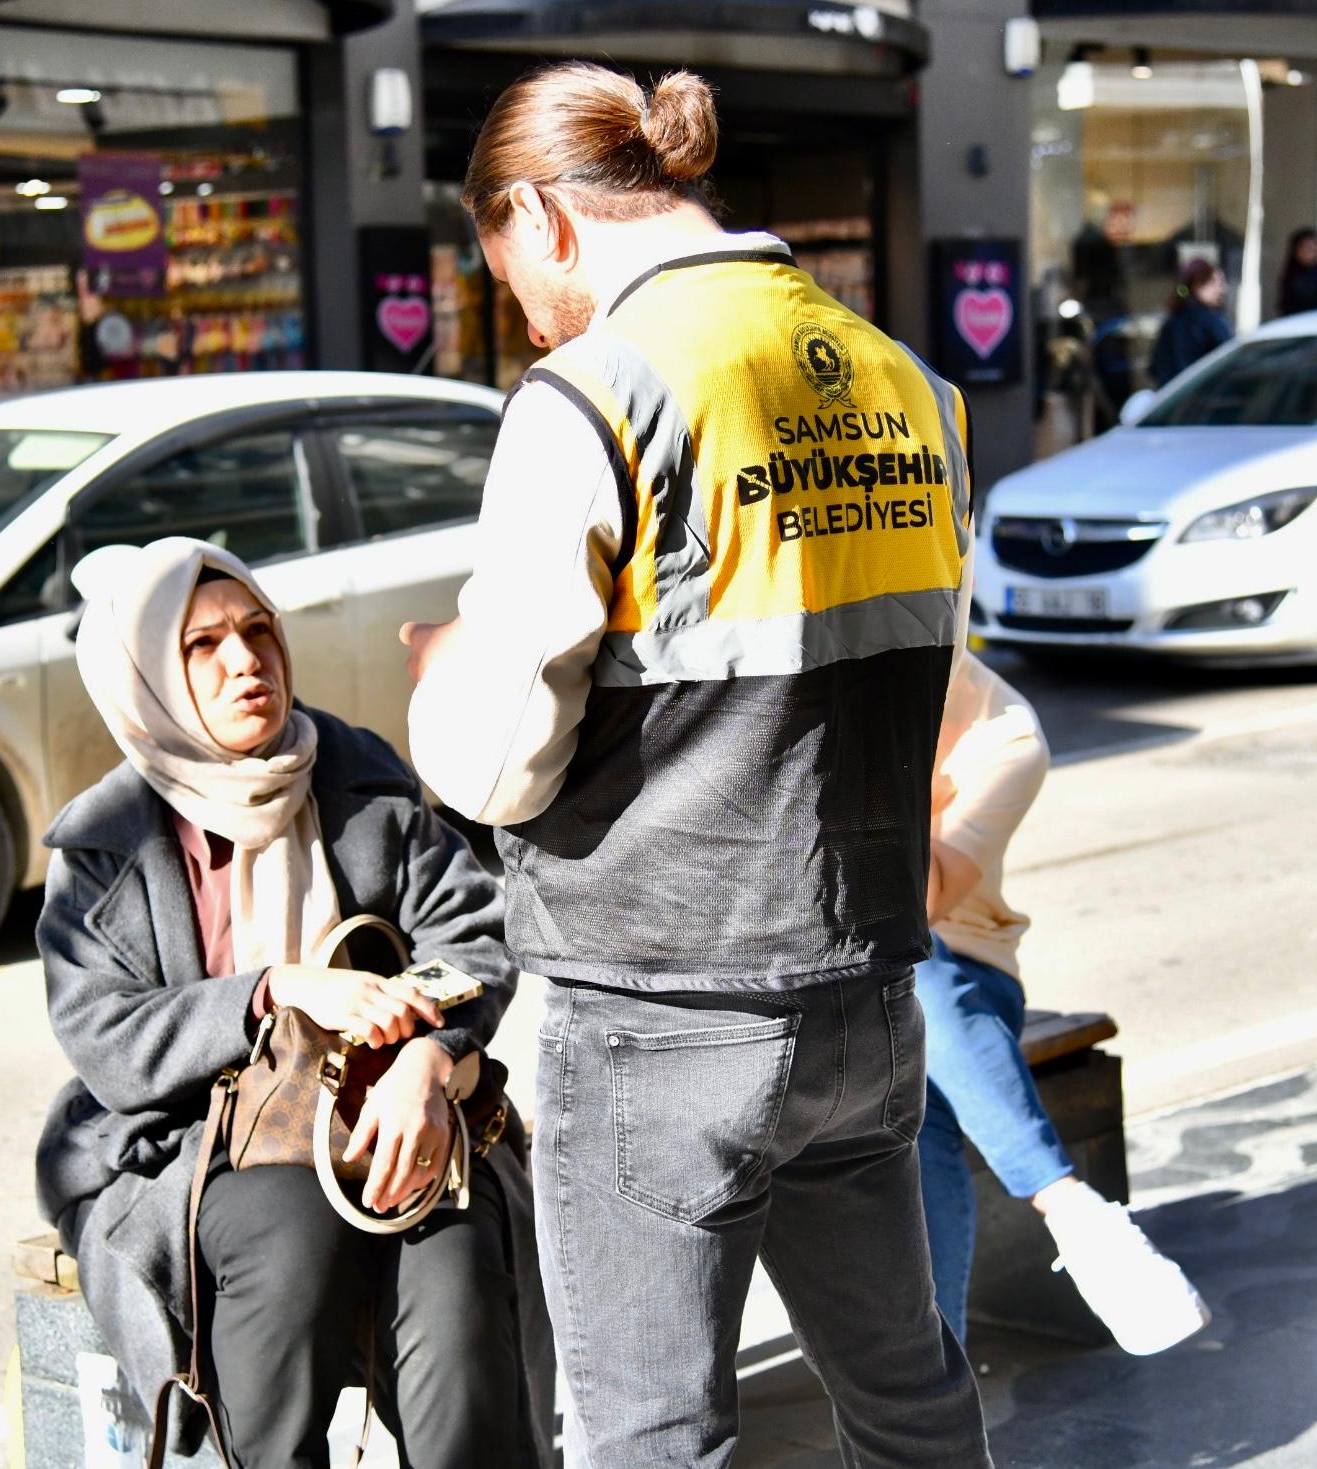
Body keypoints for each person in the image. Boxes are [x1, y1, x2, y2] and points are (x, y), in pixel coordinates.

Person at [402, 61, 990, 1469]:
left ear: (541, 216)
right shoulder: (910, 386)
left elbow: (499, 767)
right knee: (908, 1401)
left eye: (507, 273)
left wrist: (444, 682)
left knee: (649, 1433)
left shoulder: (592, 395)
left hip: (659, 1001)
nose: (526, 311)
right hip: (858, 992)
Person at [32, 538, 553, 1469]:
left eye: (258, 631)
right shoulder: (107, 844)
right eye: (203, 645)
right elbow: (106, 1038)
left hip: (387, 1114)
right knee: (292, 1233)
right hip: (197, 1146)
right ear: (145, 672)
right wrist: (271, 990)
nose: (246, 663)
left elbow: (471, 936)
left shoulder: (360, 781)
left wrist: (428, 1064)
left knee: (455, 1256)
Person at [917, 651, 1210, 1357]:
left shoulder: (1008, 735)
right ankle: (1068, 1205)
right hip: (842, 975)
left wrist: (879, 764)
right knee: (911, 1070)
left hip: (961, 969)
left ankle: (930, 1384)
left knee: (910, 998)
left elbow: (915, 904)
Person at [1150, 258, 1233, 387]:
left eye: (1221, 283)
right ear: (1197, 285)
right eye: (1214, 283)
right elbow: (1231, 361)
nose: (1221, 289)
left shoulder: (1173, 321)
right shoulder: (1209, 321)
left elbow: (1155, 368)